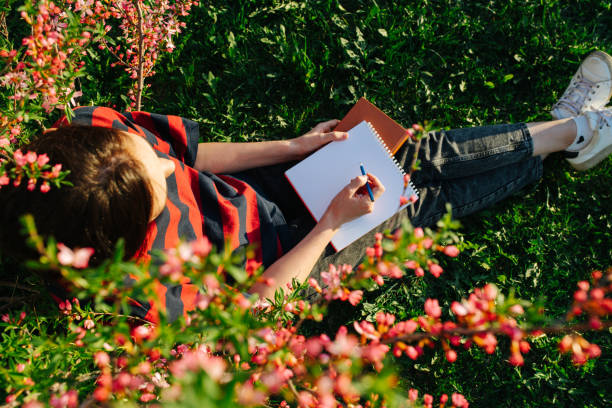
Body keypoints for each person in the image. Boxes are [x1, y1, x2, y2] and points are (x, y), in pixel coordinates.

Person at [1, 51, 611, 323]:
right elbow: (254, 308)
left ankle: (569, 133)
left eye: (152, 158)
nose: (169, 168)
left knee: (410, 152)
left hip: (256, 193)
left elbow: (195, 155)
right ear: (122, 238)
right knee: (416, 202)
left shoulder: (97, 135)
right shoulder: (140, 297)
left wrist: (298, 147)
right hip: (284, 262)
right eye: (164, 187)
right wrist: (326, 230)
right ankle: (571, 132)